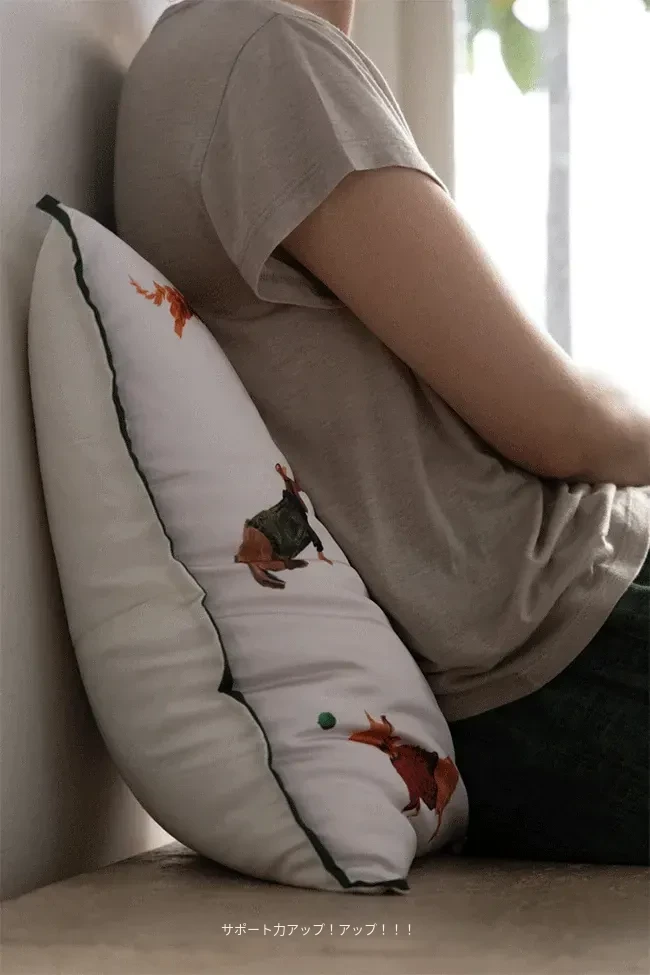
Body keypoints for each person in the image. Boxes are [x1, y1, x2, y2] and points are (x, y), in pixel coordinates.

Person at [114, 0, 650, 865]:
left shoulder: (220, 56)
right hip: (565, 642)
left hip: (551, 630)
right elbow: (561, 425)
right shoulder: (270, 60)